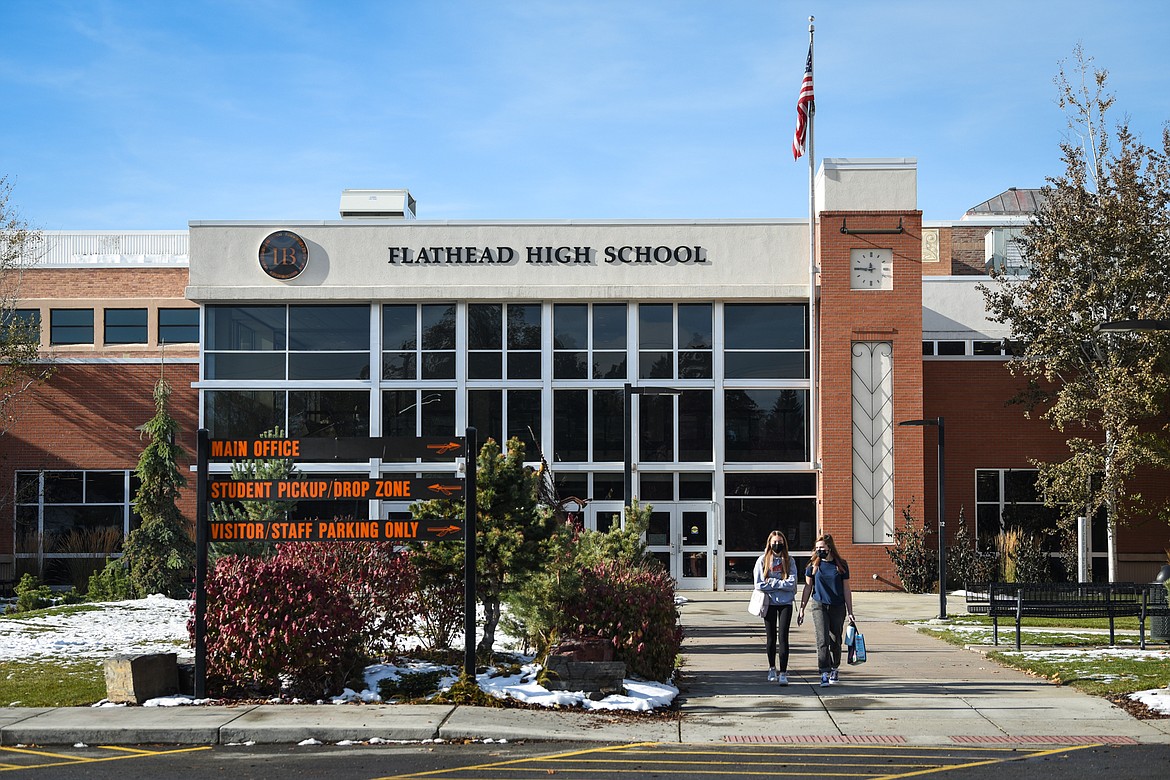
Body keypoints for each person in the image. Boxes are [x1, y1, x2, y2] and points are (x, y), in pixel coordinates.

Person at [797, 533, 855, 687]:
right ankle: (824, 672)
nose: (819, 550)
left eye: (821, 548)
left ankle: (835, 667)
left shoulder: (841, 565)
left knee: (835, 640)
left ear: (829, 547)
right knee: (822, 640)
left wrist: (850, 612)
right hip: (819, 605)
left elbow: (847, 589)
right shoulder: (813, 566)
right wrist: (801, 608)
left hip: (837, 605)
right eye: (817, 548)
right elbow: (808, 587)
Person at [753, 530, 797, 684]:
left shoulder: (789, 560)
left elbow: (792, 584)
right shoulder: (762, 561)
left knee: (783, 637)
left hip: (785, 603)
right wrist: (779, 585)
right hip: (769, 603)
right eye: (774, 542)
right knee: (771, 637)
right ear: (769, 543)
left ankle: (783, 672)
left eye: (780, 542)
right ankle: (772, 668)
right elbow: (759, 584)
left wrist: (773, 582)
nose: (777, 544)